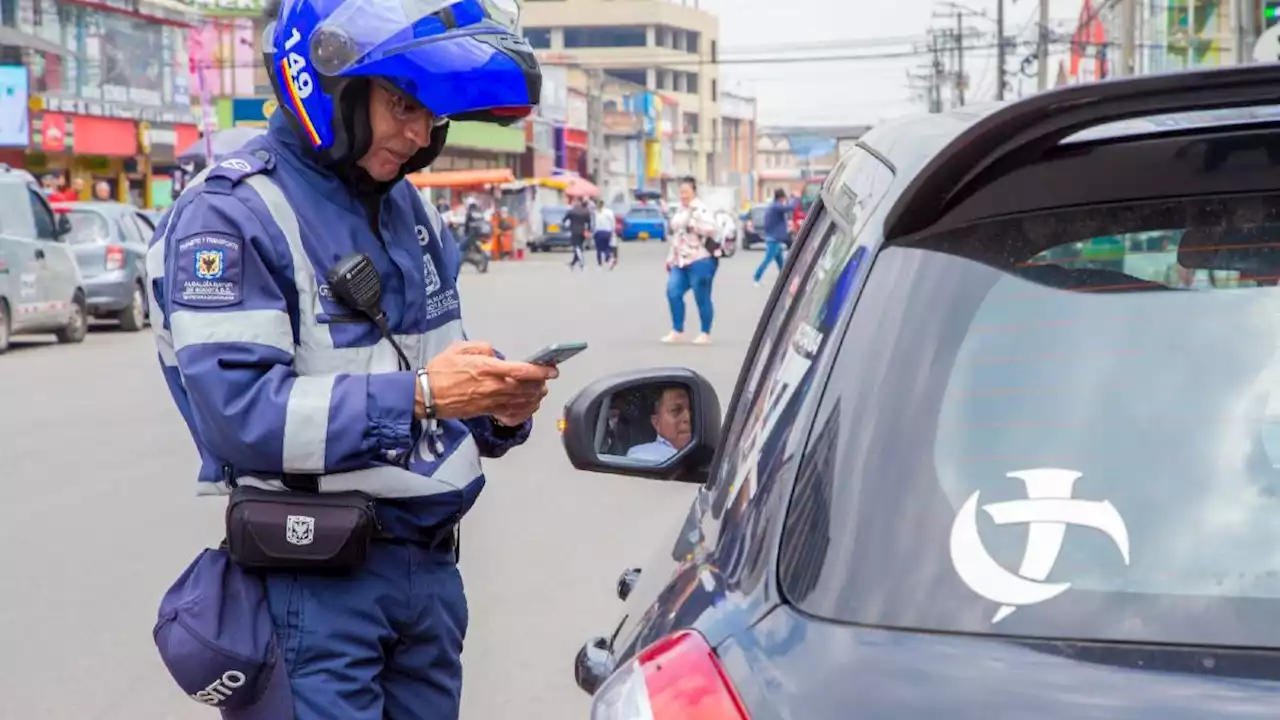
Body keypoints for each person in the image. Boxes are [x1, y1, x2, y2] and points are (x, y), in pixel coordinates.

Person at [147, 0, 550, 717]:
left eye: (429, 113)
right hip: (318, 587)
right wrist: (424, 396)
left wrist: (493, 406)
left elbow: (430, 369)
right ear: (325, 84)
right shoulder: (233, 213)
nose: (420, 132)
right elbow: (241, 420)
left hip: (426, 582)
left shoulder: (408, 210)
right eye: (403, 103)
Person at [663, 176, 720, 345]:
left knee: (702, 296)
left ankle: (705, 332)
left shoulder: (701, 210)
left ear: (694, 191)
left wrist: (694, 227)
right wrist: (670, 258)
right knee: (673, 292)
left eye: (686, 192)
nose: (683, 195)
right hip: (680, 261)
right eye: (681, 192)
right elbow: (676, 237)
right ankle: (677, 330)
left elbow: (713, 229)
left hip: (700, 259)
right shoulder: (680, 210)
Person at [626, 386, 693, 462]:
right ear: (656, 422)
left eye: (691, 410)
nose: (688, 418)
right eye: (676, 410)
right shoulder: (645, 455)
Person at [754, 188, 792, 285]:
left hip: (775, 238)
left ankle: (784, 280)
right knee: (768, 259)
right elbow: (789, 208)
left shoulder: (773, 206)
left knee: (781, 262)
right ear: (781, 197)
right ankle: (756, 278)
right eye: (784, 198)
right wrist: (797, 199)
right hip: (774, 239)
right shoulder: (776, 207)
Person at [563, 196, 592, 271]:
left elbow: (564, 220)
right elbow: (589, 222)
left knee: (577, 247)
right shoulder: (586, 211)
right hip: (583, 231)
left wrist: (566, 226)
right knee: (579, 246)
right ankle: (572, 263)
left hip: (574, 231)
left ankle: (582, 262)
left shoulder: (571, 211)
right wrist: (588, 230)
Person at [593, 199, 616, 268]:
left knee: (599, 248)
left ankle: (599, 263)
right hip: (607, 232)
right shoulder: (609, 212)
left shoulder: (596, 212)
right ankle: (609, 258)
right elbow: (613, 222)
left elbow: (593, 223)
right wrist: (613, 231)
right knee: (607, 247)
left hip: (598, 232)